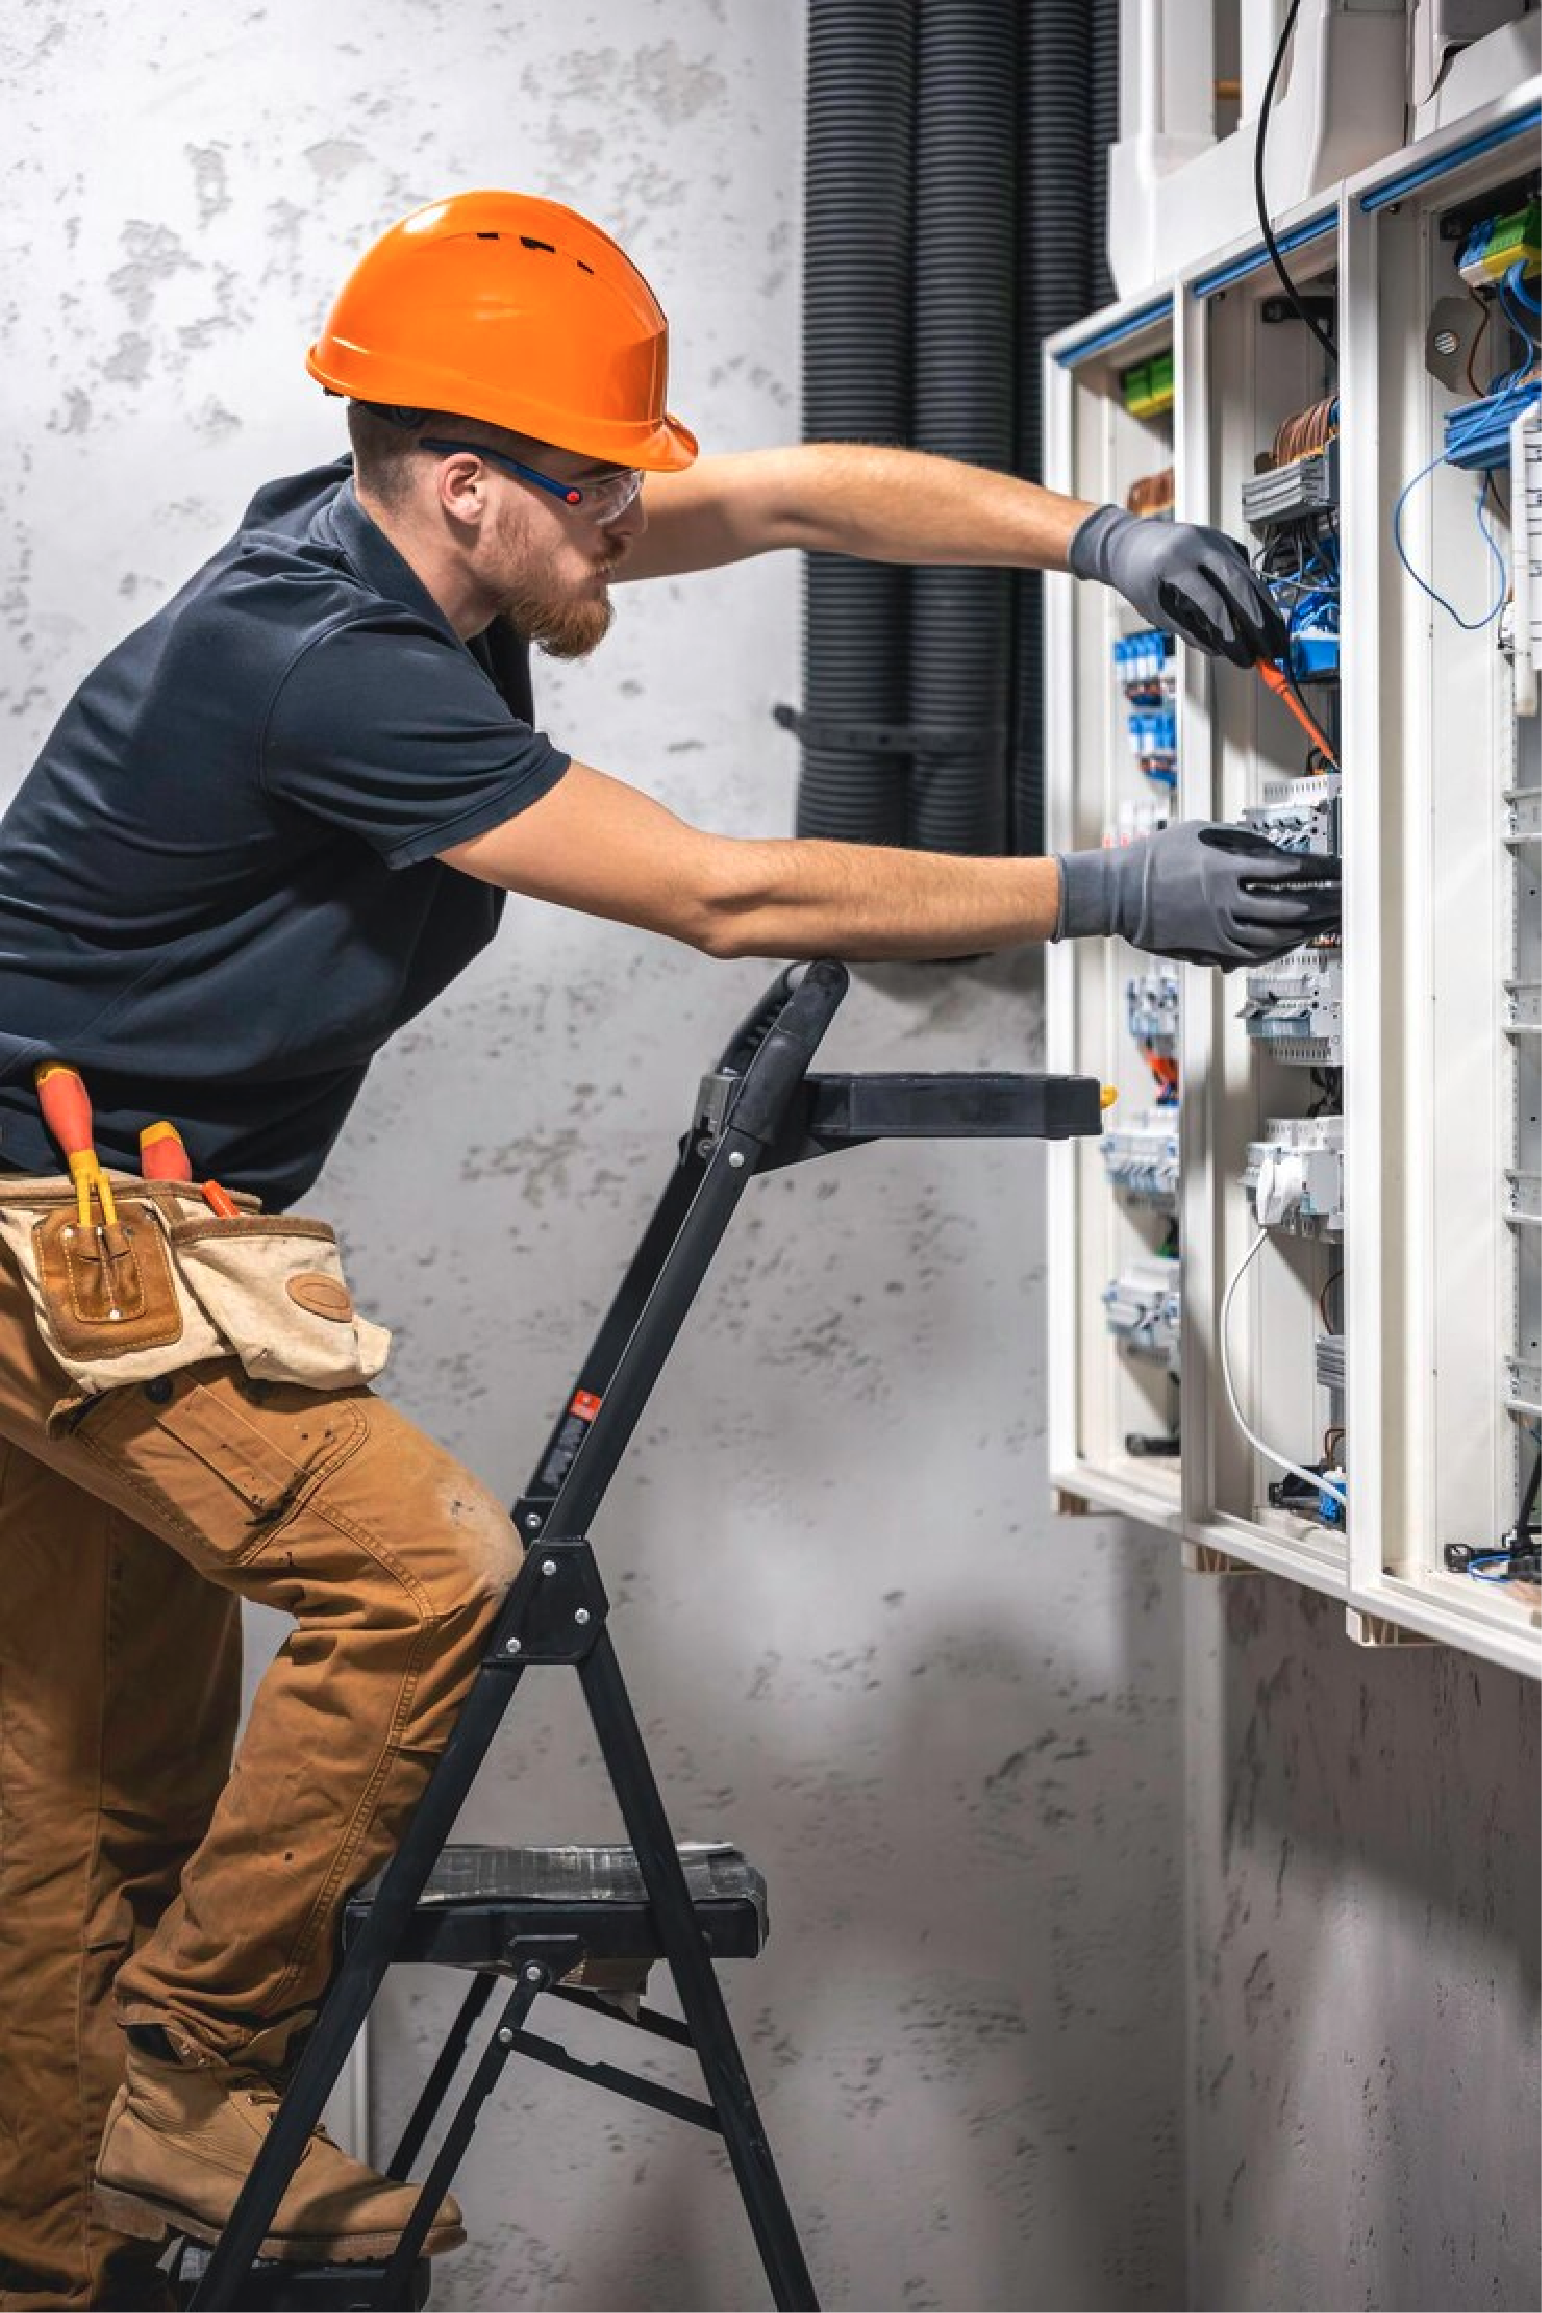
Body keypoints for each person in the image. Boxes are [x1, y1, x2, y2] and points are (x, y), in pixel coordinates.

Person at [0, 190, 1339, 2311]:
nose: (639, 510)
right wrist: (1103, 891)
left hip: (121, 1220)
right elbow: (719, 893)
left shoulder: (413, 539)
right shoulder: (326, 666)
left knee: (90, 1763)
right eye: (598, 485)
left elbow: (798, 493)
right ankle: (191, 2070)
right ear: (469, 485)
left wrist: (1096, 543)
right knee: (424, 1578)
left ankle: (54, 2243)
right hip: (53, 1230)